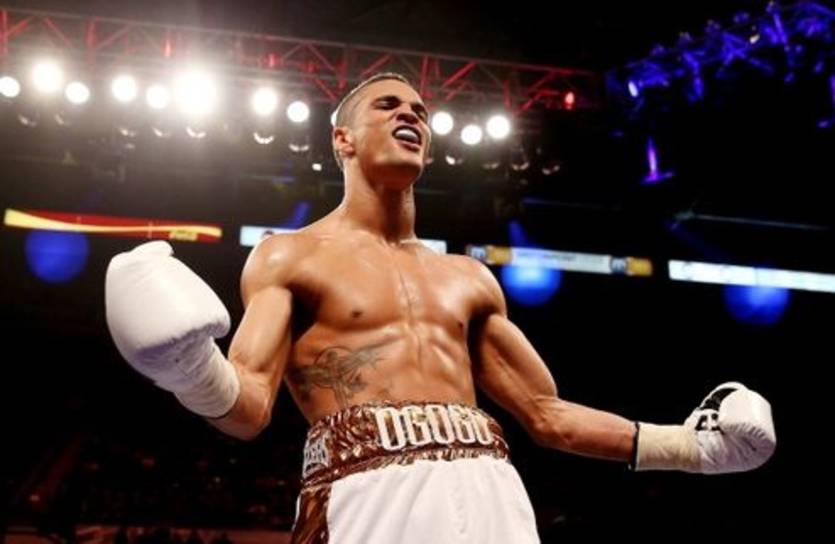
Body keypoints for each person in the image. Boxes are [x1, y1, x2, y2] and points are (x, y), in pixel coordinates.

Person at [105, 73, 776, 543]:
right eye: (389, 106)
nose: (411, 116)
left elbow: (548, 415)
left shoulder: (468, 278)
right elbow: (251, 406)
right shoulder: (289, 256)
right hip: (366, 489)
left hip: (490, 487)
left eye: (420, 112)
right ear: (342, 140)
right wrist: (190, 369)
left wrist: (690, 448)